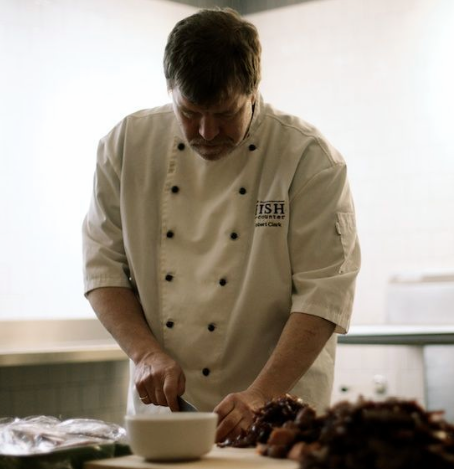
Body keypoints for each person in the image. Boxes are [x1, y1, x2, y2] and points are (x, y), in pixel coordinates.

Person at [82, 8, 360, 443]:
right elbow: (102, 270)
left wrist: (263, 394)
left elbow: (324, 295)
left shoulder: (309, 159)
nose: (207, 132)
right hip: (167, 415)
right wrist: (146, 354)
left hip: (278, 415)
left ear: (254, 91)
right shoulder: (126, 147)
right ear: (170, 90)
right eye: (190, 113)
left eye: (226, 114)